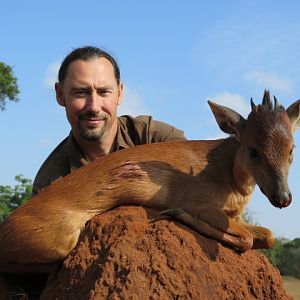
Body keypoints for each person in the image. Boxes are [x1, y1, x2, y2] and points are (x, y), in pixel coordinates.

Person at [32, 46, 186, 196]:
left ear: (119, 93)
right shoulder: (49, 185)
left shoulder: (157, 139)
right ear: (60, 95)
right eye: (81, 92)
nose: (93, 106)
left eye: (104, 92)